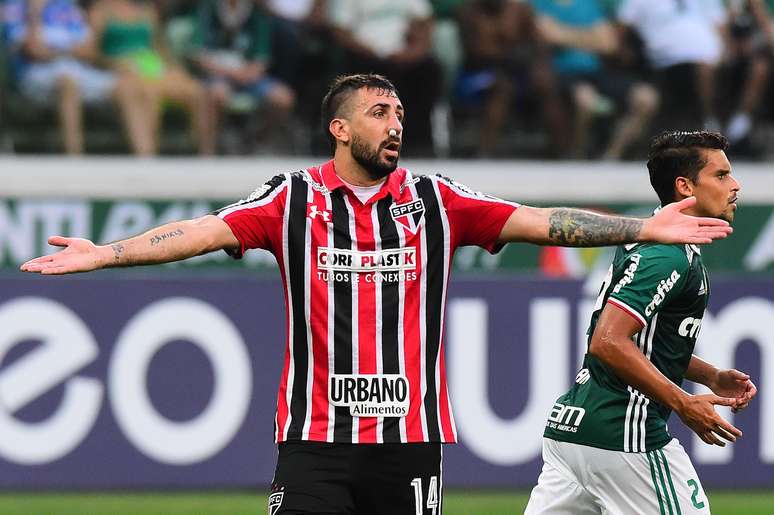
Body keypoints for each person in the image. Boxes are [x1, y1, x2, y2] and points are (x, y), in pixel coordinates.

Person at [20, 75, 734, 515]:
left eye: (399, 112)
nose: (396, 123)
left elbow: (546, 222)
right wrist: (103, 254)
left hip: (409, 443)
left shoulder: (437, 200)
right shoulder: (292, 199)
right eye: (379, 111)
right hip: (315, 443)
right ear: (341, 128)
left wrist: (645, 225)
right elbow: (200, 232)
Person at [525, 130, 757, 514]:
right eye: (721, 175)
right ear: (685, 187)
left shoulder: (651, 243)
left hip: (574, 431)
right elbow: (607, 341)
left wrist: (709, 375)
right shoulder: (667, 257)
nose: (734, 185)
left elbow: (634, 341)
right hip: (625, 436)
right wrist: (683, 403)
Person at [2, 0, 151, 155]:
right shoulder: (15, 8)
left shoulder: (68, 7)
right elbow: (33, 50)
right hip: (35, 73)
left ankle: (145, 159)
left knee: (125, 86)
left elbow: (89, 51)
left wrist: (57, 52)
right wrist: (35, 12)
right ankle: (74, 155)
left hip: (79, 68)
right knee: (68, 81)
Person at [88, 0, 212, 155]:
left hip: (153, 66)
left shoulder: (148, 11)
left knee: (196, 90)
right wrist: (114, 63)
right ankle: (147, 156)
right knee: (146, 93)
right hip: (122, 68)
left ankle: (206, 155)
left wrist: (174, 69)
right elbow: (91, 53)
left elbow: (160, 48)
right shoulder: (100, 11)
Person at [190, 0, 296, 154]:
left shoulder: (256, 14)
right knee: (216, 94)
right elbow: (198, 55)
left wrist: (249, 73)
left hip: (248, 75)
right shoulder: (209, 10)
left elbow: (261, 59)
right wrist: (230, 72)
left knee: (284, 99)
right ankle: (209, 149)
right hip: (218, 73)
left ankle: (258, 139)